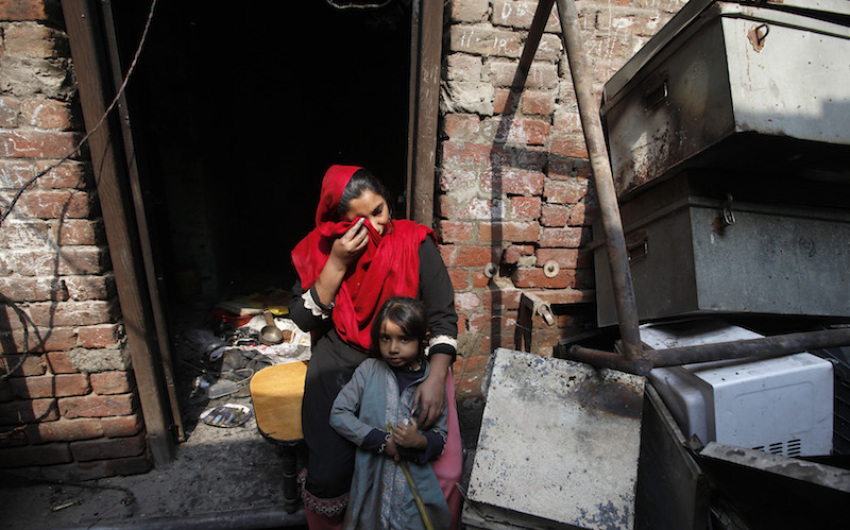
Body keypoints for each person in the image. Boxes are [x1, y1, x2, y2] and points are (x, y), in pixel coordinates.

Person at [289, 165, 463, 529]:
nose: (379, 224)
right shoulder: (322, 250)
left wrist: (435, 378)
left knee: (441, 469)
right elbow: (305, 320)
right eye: (362, 220)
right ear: (340, 224)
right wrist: (337, 264)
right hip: (341, 361)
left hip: (410, 364)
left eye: (380, 209)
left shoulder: (414, 242)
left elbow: (444, 317)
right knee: (331, 474)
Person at [329, 297, 451, 529]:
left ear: (422, 340)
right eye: (386, 338)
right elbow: (339, 413)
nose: (393, 348)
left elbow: (441, 436)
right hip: (371, 479)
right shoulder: (368, 371)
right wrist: (384, 442)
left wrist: (420, 441)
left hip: (414, 487)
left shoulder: (432, 384)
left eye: (404, 339)